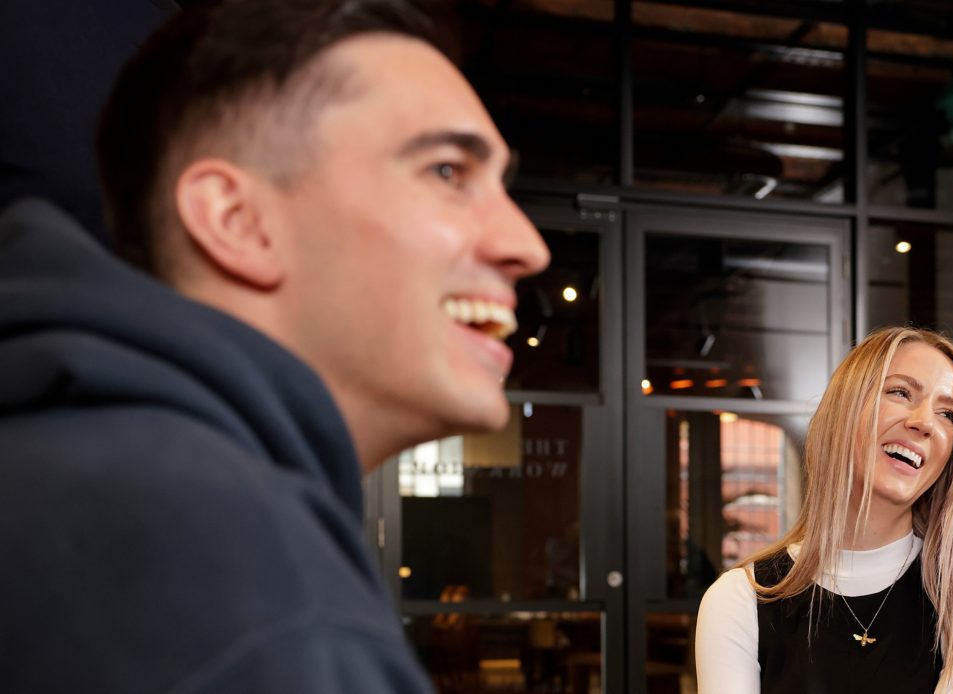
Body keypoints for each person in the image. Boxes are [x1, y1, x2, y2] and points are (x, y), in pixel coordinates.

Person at [0, 0, 549, 692]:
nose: (527, 245)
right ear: (237, 220)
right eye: (446, 172)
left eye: (500, 184)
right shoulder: (253, 597)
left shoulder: (77, 485)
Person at [695, 326, 953, 693]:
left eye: (948, 415)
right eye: (901, 392)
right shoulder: (740, 600)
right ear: (845, 408)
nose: (923, 422)